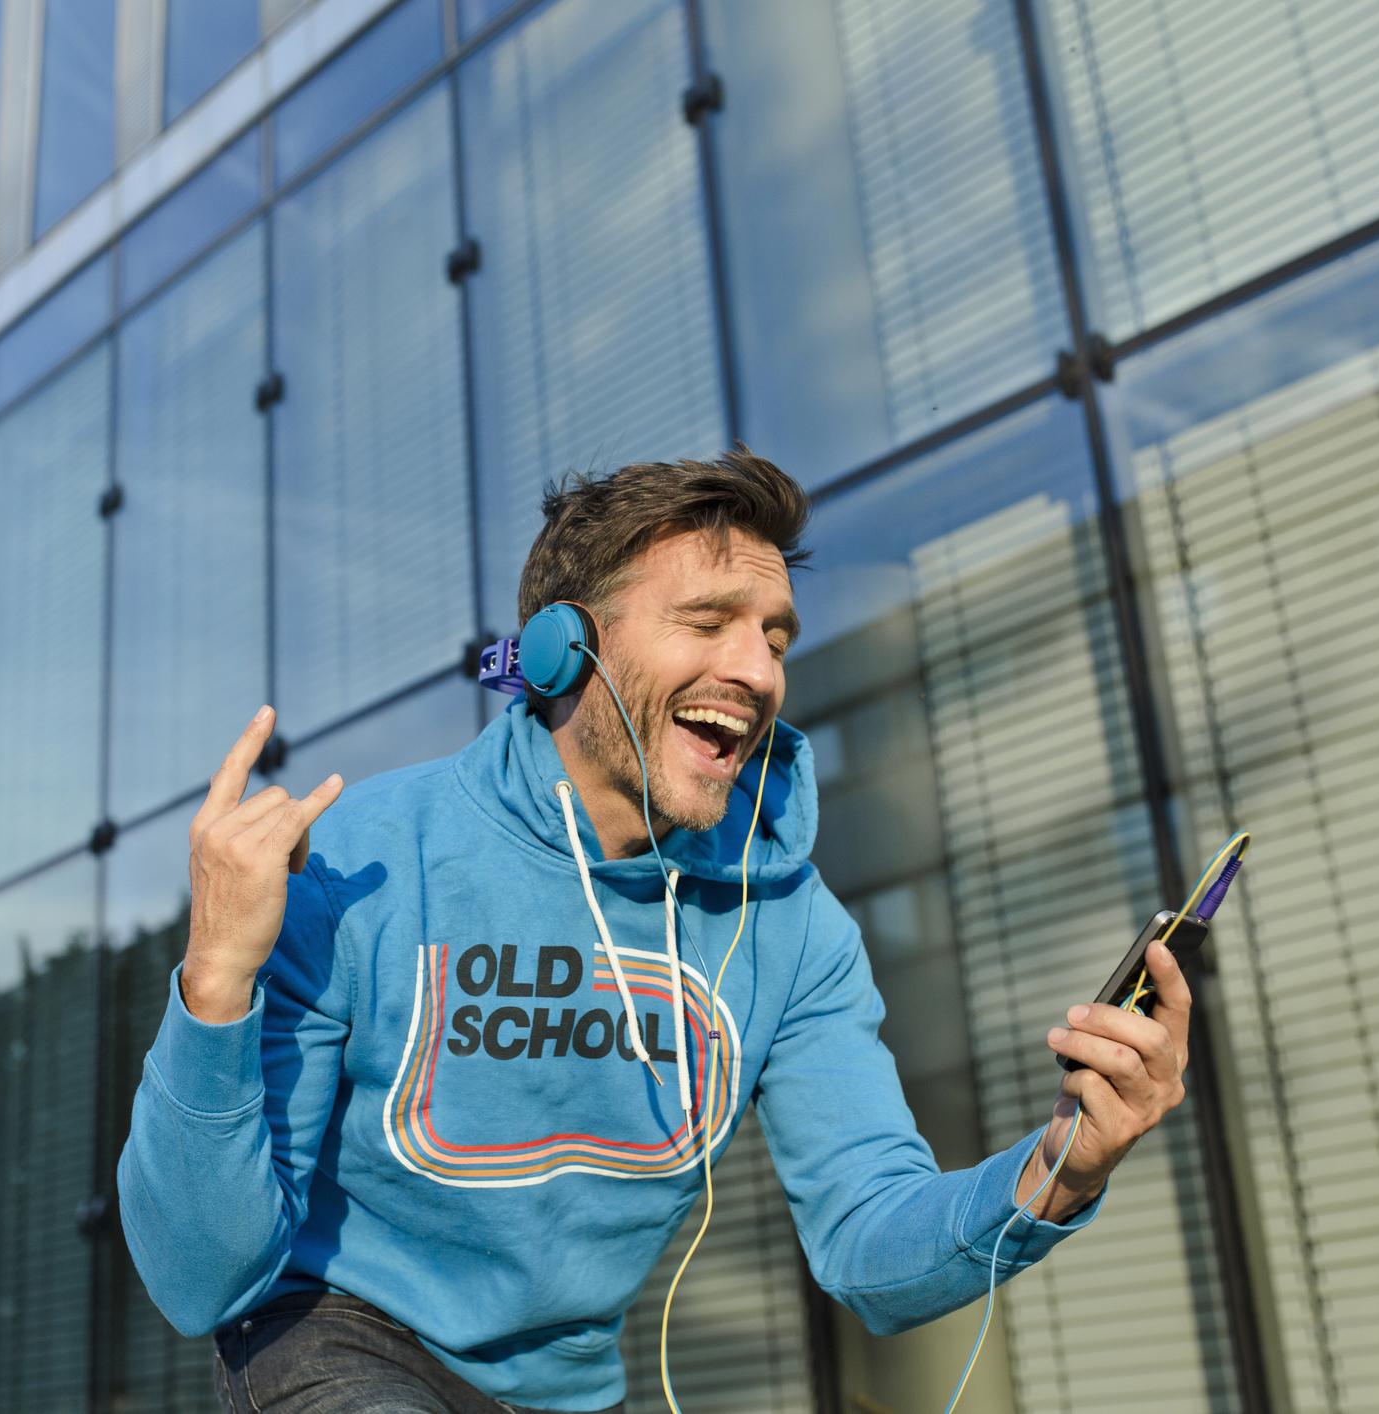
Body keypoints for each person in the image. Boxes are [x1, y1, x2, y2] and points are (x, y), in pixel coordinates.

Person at [118, 451, 1191, 1414]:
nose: (761, 670)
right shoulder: (363, 857)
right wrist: (216, 972)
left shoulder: (793, 927)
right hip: (338, 1344)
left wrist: (1065, 1166)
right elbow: (205, 1278)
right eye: (710, 620)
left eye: (774, 636)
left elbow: (869, 1240)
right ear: (561, 650)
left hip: (568, 1385)